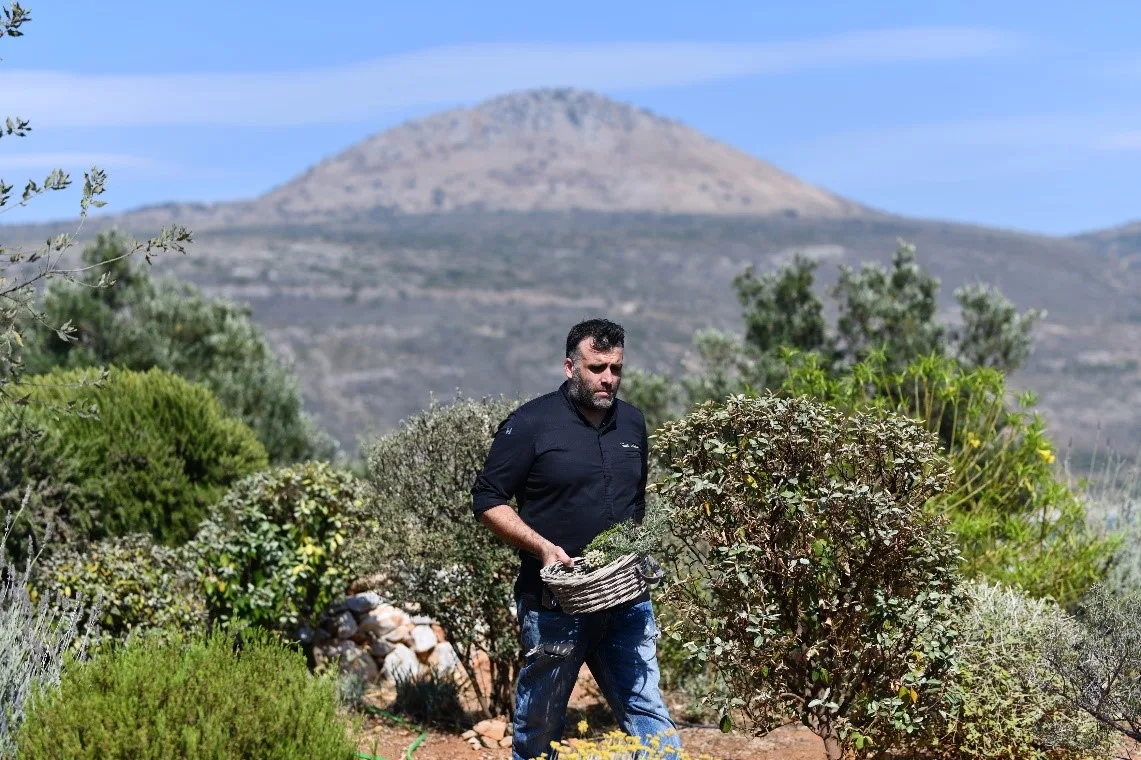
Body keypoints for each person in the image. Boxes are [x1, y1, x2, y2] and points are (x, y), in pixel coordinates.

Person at [471, 318, 682, 760]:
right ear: (570, 367)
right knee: (540, 727)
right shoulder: (531, 423)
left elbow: (637, 506)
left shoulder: (634, 424)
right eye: (596, 367)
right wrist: (542, 547)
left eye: (616, 368)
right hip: (554, 606)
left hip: (626, 602)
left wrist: (636, 557)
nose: (608, 378)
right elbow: (488, 499)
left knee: (651, 721)